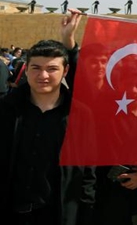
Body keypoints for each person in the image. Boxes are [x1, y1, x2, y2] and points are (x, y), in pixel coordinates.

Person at [0, 20, 94, 225]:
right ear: (26, 69)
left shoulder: (80, 115)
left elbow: (88, 174)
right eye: (36, 68)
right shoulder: (6, 110)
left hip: (58, 213)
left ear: (65, 71)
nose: (43, 75)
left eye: (52, 69)